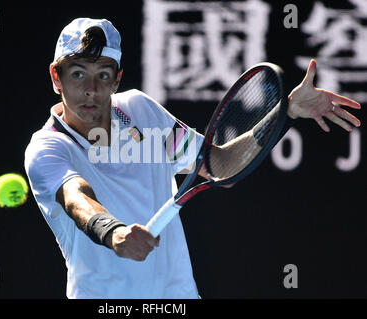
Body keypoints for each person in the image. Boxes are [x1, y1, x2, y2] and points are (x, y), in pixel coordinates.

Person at [24, 18, 361, 299]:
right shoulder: (47, 149)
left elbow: (218, 165)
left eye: (103, 74)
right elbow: (75, 196)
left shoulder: (141, 110)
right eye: (78, 73)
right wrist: (113, 233)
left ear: (117, 79)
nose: (91, 90)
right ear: (57, 77)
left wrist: (286, 111)